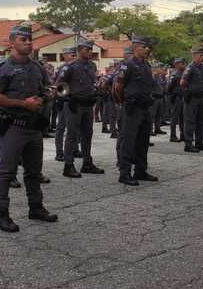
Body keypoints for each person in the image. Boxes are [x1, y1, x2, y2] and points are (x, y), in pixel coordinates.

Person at [0, 25, 58, 232]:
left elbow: (47, 88)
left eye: (29, 39)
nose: (28, 42)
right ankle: (1, 215)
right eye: (22, 39)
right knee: (6, 172)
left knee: (34, 171)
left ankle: (36, 208)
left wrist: (47, 95)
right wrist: (23, 104)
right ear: (12, 43)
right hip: (12, 127)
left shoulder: (37, 68)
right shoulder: (3, 68)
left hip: (34, 127)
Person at [113, 36, 158, 186]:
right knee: (128, 141)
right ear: (135, 48)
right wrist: (123, 102)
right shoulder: (128, 65)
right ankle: (124, 173)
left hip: (145, 107)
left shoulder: (146, 66)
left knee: (143, 141)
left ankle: (140, 170)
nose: (147, 49)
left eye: (147, 47)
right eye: (143, 47)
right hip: (132, 108)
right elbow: (118, 87)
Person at [58, 40, 104, 177]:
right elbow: (60, 86)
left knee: (87, 134)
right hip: (74, 105)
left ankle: (87, 163)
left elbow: (92, 83)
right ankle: (68, 165)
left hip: (88, 104)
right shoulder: (70, 67)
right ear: (79, 50)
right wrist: (67, 98)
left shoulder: (92, 66)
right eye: (87, 49)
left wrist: (96, 91)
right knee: (72, 135)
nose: (90, 52)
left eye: (91, 49)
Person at [180, 47, 203, 153]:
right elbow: (182, 82)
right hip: (192, 98)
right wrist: (189, 90)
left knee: (200, 121)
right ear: (194, 56)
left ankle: (199, 142)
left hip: (201, 97)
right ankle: (188, 144)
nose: (202, 57)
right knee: (190, 121)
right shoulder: (190, 67)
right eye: (200, 55)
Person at [53, 47, 77, 162]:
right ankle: (59, 152)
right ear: (65, 56)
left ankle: (75, 149)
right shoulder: (62, 69)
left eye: (74, 55)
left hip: (74, 101)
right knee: (61, 127)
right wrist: (63, 97)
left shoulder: (77, 67)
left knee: (74, 127)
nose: (74, 57)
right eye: (71, 55)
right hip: (64, 101)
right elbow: (57, 85)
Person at [167, 58, 186, 143]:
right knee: (174, 118)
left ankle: (183, 135)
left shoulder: (184, 73)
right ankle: (173, 136)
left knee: (182, 117)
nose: (183, 64)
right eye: (181, 63)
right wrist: (172, 96)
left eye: (183, 63)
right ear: (177, 64)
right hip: (176, 97)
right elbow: (169, 87)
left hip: (182, 97)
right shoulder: (175, 74)